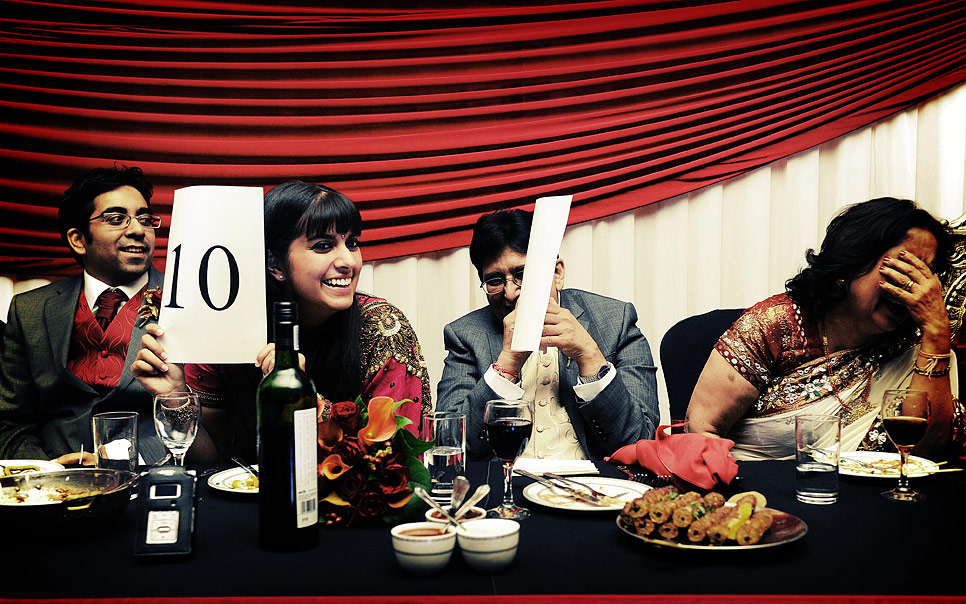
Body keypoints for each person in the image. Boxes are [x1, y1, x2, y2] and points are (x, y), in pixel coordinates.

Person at [132, 180, 432, 461]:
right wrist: (174, 397)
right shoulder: (225, 327)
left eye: (352, 243)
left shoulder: (382, 326)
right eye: (323, 246)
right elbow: (214, 460)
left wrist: (302, 397)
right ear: (274, 264)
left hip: (351, 511)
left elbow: (398, 461)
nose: (349, 262)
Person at [687, 197, 966, 460]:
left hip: (868, 502)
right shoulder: (776, 324)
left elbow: (923, 455)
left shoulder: (920, 349)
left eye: (924, 274)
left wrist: (937, 334)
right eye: (903, 268)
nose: (911, 287)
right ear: (854, 259)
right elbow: (701, 430)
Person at [436, 209, 659, 461]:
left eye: (523, 275)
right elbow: (450, 443)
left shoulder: (616, 320)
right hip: (505, 488)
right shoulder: (464, 334)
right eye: (495, 281)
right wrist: (506, 364)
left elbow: (641, 441)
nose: (510, 293)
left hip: (595, 488)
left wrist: (589, 357)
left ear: (557, 273)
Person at [0, 165, 168, 464]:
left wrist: (125, 460)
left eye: (145, 219)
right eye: (117, 219)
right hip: (49, 485)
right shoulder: (29, 310)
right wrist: (45, 471)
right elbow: (11, 423)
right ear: (78, 239)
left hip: (150, 477)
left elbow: (207, 419)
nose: (138, 230)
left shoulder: (184, 303)